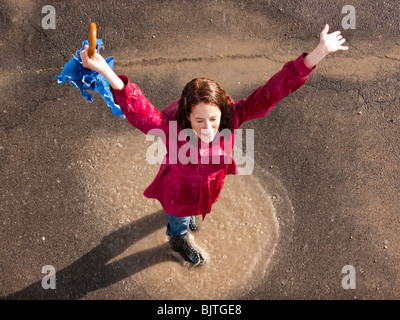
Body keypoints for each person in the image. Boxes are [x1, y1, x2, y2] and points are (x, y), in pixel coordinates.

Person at [80, 24, 348, 266]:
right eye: (199, 121)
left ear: (223, 113)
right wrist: (104, 70)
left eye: (213, 119)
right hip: (179, 191)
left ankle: (187, 219)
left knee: (193, 211)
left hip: (209, 186)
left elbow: (273, 91)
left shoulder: (234, 115)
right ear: (186, 116)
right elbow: (138, 108)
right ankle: (177, 238)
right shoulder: (171, 128)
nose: (207, 129)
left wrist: (319, 52)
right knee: (179, 219)